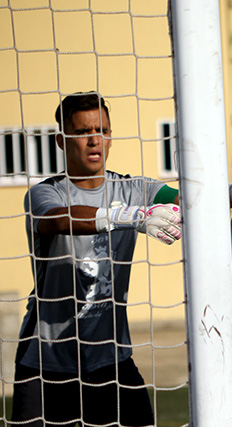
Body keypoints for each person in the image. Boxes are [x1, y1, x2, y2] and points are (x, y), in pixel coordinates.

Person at [12, 92, 182, 427]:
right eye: (83, 132)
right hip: (47, 363)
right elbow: (59, 220)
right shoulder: (45, 193)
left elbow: (185, 201)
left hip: (110, 361)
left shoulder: (134, 188)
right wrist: (127, 216)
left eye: (102, 130)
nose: (94, 140)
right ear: (61, 141)